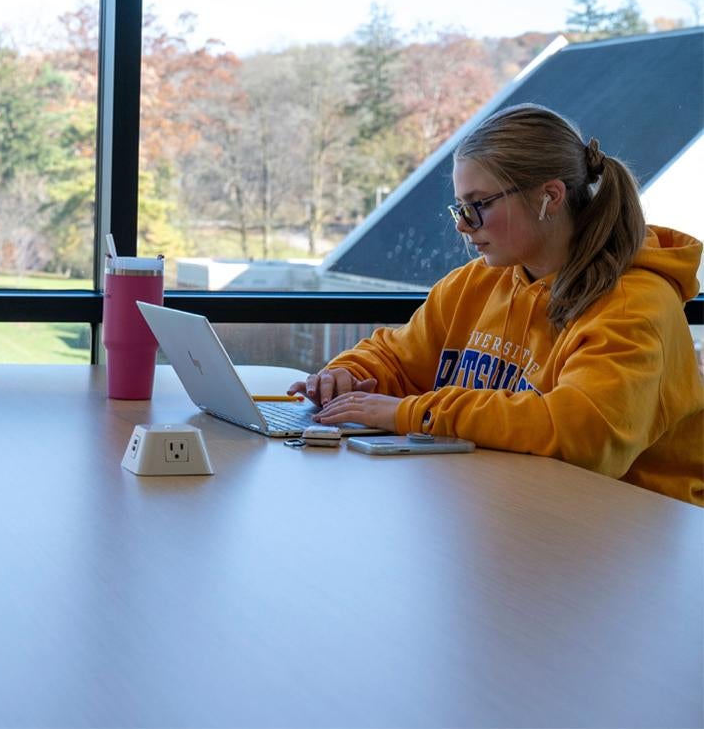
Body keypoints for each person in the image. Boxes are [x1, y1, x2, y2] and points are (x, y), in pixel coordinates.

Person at [288, 103, 704, 506]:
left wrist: (411, 415)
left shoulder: (634, 306)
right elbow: (397, 357)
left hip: (637, 534)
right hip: (523, 508)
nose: (462, 224)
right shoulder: (481, 281)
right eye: (460, 207)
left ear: (551, 197)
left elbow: (580, 436)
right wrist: (348, 376)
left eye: (479, 205)